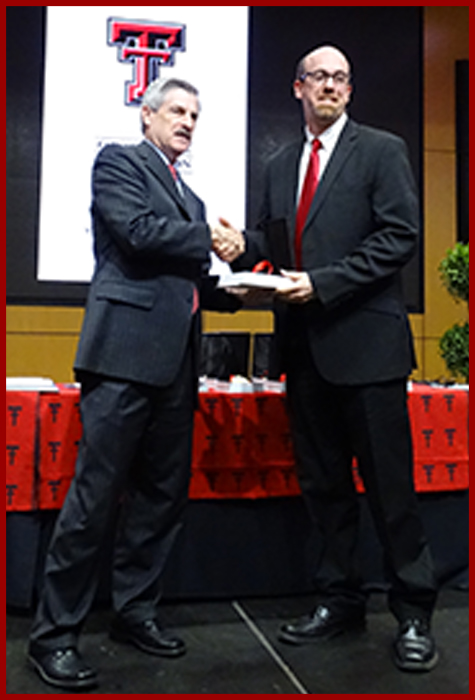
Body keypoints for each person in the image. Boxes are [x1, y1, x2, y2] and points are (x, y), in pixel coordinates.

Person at [213, 45, 439, 672]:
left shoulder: (382, 150)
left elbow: (400, 236)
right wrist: (241, 247)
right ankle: (339, 601)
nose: (332, 86)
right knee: (325, 488)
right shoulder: (282, 162)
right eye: (320, 78)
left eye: (342, 77)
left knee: (392, 491)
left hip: (368, 348)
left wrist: (325, 282)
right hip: (305, 351)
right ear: (297, 89)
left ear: (349, 89)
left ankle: (415, 611)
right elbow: (274, 243)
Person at [27, 77, 242, 691]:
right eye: (177, 110)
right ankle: (53, 637)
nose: (188, 122)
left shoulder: (193, 200)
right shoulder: (117, 163)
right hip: (123, 356)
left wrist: (254, 288)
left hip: (178, 365)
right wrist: (212, 240)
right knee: (94, 500)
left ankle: (134, 612)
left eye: (195, 115)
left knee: (160, 499)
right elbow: (140, 233)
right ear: (147, 116)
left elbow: (193, 282)